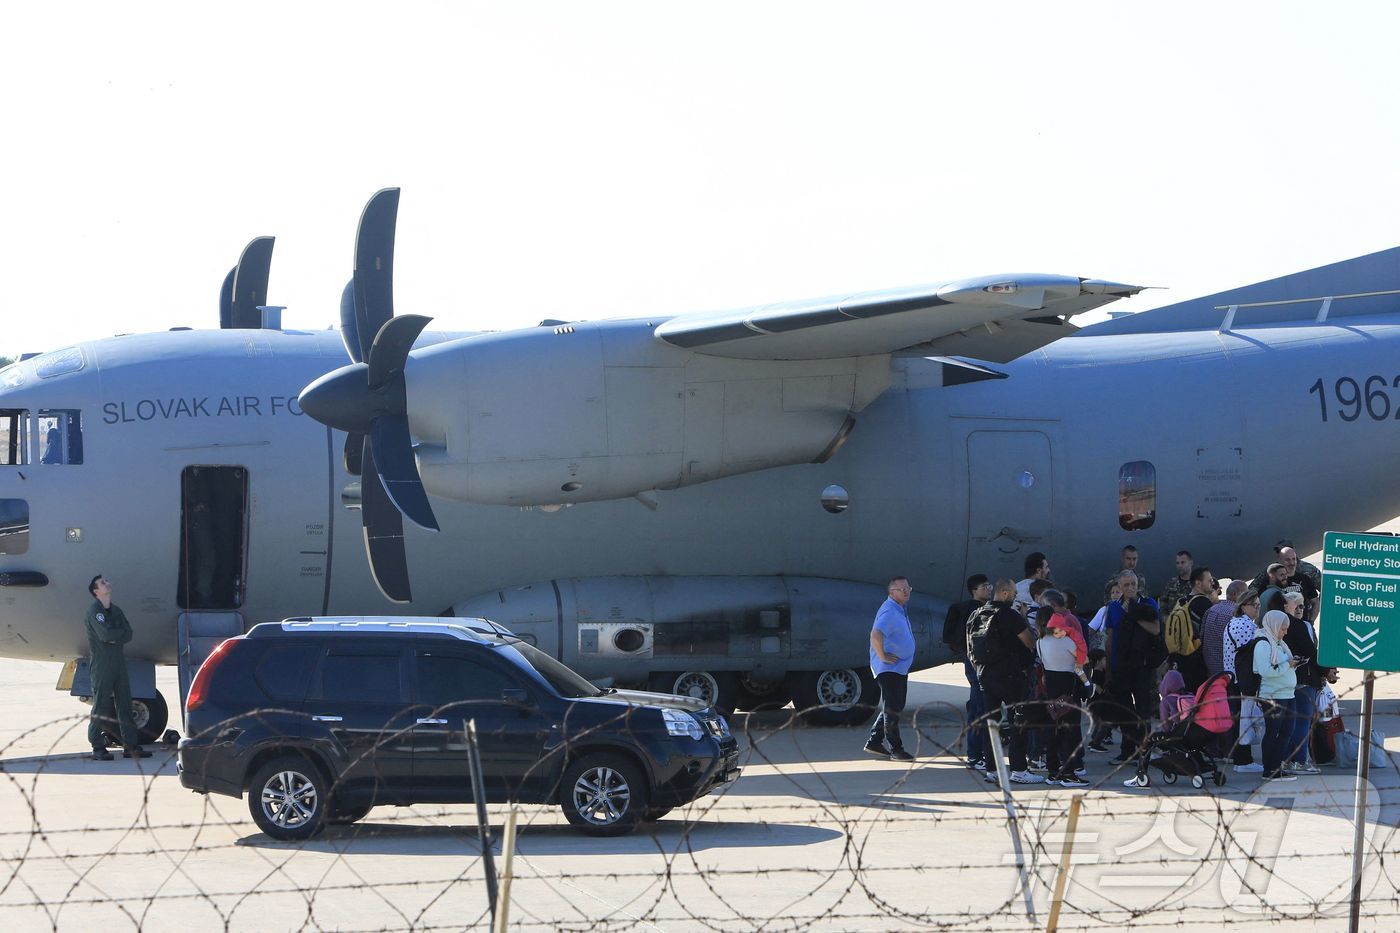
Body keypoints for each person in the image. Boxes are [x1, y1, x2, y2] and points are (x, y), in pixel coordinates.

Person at [967, 578, 1042, 784]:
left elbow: (970, 650)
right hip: (1010, 675)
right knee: (1018, 721)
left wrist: (982, 671)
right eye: (1015, 594)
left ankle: (992, 769)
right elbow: (1029, 641)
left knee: (990, 723)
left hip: (984, 674)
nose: (1016, 598)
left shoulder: (977, 614)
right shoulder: (1010, 615)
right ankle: (1019, 769)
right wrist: (1025, 619)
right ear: (1006, 593)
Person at [84, 575, 150, 760]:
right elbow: (105, 635)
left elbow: (128, 634)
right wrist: (114, 636)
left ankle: (130, 745)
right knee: (101, 705)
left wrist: (115, 637)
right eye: (102, 583)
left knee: (125, 705)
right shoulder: (94, 612)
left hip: (119, 663)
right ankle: (97, 746)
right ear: (96, 591)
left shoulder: (116, 611)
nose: (107, 583)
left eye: (106, 581)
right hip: (102, 665)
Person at [1102, 571, 1162, 765]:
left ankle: (1144, 749)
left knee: (1143, 709)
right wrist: (1109, 665)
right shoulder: (1113, 608)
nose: (1130, 588)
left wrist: (1135, 615)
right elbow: (1110, 636)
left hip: (1142, 664)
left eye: (1133, 584)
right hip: (1121, 663)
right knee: (1124, 710)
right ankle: (1127, 750)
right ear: (1119, 587)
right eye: (1126, 585)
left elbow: (1156, 629)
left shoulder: (1148, 603)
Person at [1034, 597, 1094, 788]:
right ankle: (1068, 772)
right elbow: (1081, 662)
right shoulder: (1067, 641)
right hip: (1067, 685)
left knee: (1054, 728)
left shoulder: (1040, 642)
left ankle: (1053, 771)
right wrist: (1087, 683)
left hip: (1051, 685)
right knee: (1069, 729)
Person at [866, 576, 917, 761]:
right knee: (893, 708)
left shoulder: (899, 609)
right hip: (889, 668)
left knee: (894, 705)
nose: (906, 592)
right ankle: (896, 749)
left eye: (908, 588)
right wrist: (882, 656)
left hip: (898, 667)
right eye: (901, 589)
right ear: (891, 592)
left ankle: (874, 741)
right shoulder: (890, 611)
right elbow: (875, 634)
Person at [944, 574, 992, 770]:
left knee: (979, 706)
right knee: (979, 708)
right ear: (975, 590)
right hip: (977, 663)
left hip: (971, 661)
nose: (988, 589)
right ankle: (975, 755)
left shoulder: (971, 609)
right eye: (984, 586)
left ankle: (978, 753)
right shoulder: (977, 611)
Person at [1254, 610, 1301, 781]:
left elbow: (1281, 665)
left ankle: (1277, 766)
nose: (1285, 632)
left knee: (1287, 731)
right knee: (1273, 731)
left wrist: (1292, 664)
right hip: (1272, 695)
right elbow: (1265, 671)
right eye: (1283, 628)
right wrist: (1287, 665)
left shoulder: (1279, 644)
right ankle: (1269, 770)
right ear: (1274, 626)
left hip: (1287, 694)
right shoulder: (1263, 644)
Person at [1281, 591, 1322, 774]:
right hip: (1302, 679)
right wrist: (1324, 672)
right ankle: (1299, 760)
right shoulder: (1298, 626)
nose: (1299, 609)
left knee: (1293, 722)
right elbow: (1312, 652)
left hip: (1290, 680)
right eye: (1295, 605)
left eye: (1302, 605)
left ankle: (1289, 759)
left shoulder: (1283, 626)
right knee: (1301, 722)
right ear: (1285, 607)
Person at [1223, 589, 1263, 772]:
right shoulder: (1242, 624)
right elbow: (1247, 652)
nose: (1257, 609)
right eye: (1255, 605)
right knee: (1244, 719)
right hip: (1241, 680)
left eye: (1259, 605)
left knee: (1243, 718)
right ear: (1244, 606)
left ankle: (1243, 758)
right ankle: (1243, 761)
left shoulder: (1239, 622)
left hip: (1237, 678)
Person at [1202, 579, 1247, 680]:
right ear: (1235, 594)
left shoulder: (1212, 610)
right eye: (1245, 594)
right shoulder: (1236, 615)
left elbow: (1202, 636)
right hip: (1229, 673)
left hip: (1210, 669)